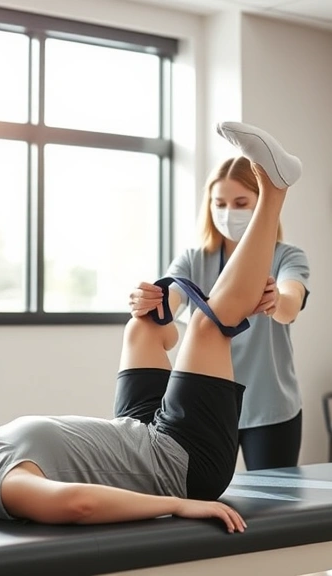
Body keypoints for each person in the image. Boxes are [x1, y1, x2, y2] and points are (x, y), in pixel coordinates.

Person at [0, 121, 302, 535]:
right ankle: (276, 189)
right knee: (207, 327)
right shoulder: (3, 487)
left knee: (142, 327)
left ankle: (190, 351)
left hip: (139, 431)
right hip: (180, 462)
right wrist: (182, 504)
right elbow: (76, 503)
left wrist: (158, 305)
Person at [129, 126, 309, 471]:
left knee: (274, 504)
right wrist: (148, 300)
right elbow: (171, 301)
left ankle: (277, 185)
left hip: (269, 406)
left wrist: (275, 301)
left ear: (260, 204)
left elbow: (291, 304)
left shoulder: (287, 256)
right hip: (206, 401)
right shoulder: (193, 260)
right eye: (219, 203)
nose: (228, 212)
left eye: (241, 203)